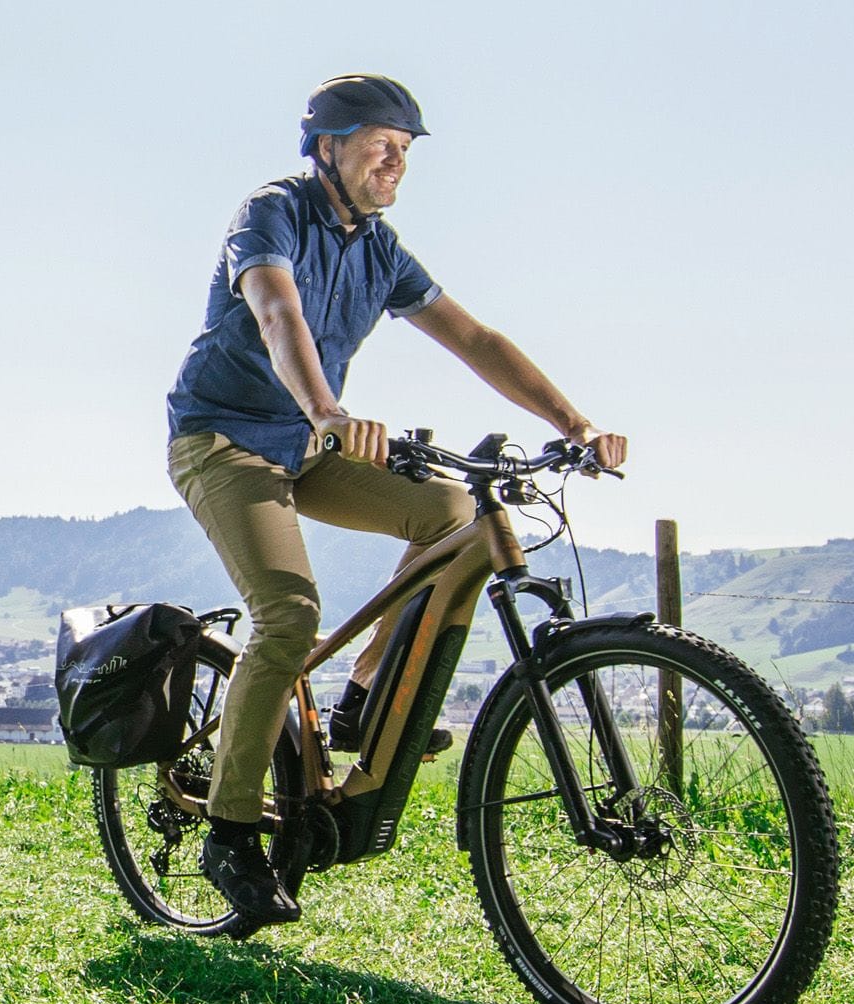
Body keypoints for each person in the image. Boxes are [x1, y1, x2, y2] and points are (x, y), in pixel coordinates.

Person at [165, 74, 628, 923]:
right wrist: (330, 411)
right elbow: (277, 311)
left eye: (406, 149)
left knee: (452, 513)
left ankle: (364, 694)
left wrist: (574, 421)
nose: (395, 162)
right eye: (380, 143)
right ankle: (229, 834)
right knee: (290, 616)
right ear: (327, 147)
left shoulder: (380, 247)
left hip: (310, 448)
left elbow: (475, 337)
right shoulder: (272, 211)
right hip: (225, 441)